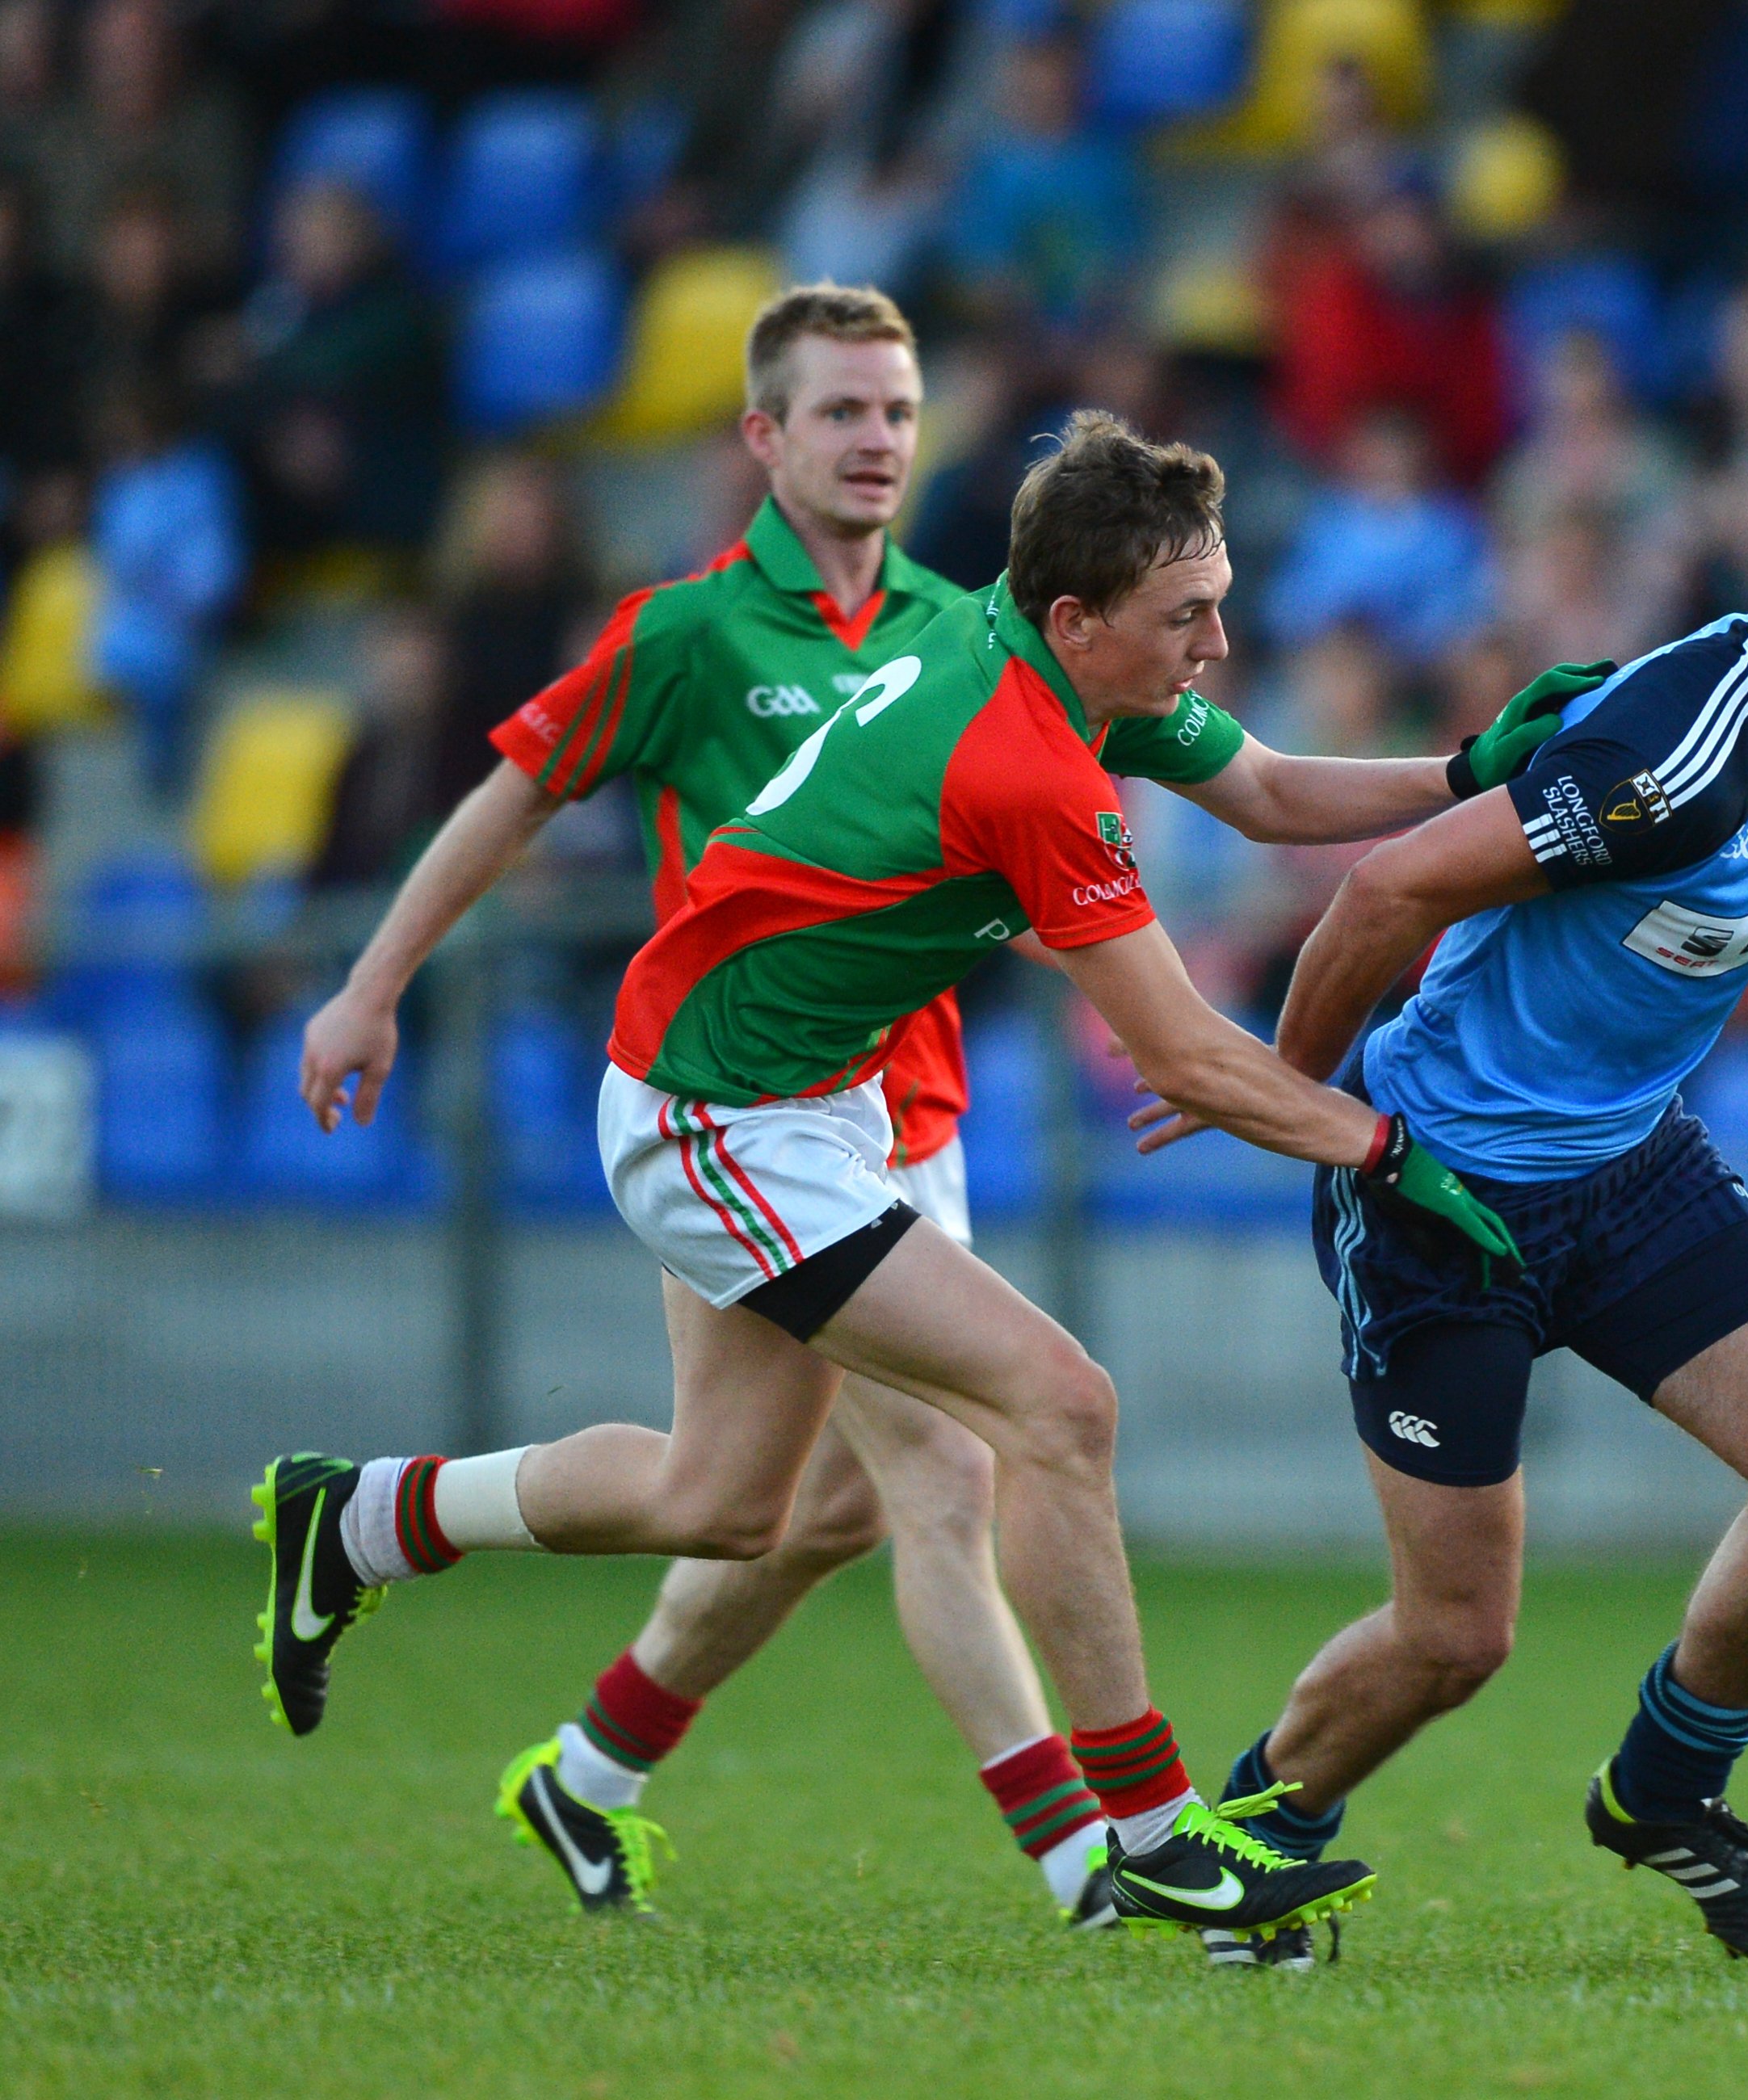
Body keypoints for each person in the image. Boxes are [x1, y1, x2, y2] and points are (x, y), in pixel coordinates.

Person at [263, 401, 1574, 1951]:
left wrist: (1467, 763)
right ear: (1076, 617)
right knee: (1055, 1404)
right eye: (1190, 614)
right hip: (718, 1114)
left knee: (728, 1503)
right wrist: (1385, 1147)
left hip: (779, 1098)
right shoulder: (1025, 762)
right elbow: (1179, 1054)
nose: (1217, 641)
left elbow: (1275, 794)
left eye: (1217, 601)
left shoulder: (1051, 662)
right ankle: (1150, 1837)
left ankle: (356, 1521)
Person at [1151, 456, 1748, 1968]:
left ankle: (1664, 1791)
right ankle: (1242, 1837)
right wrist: (1288, 1098)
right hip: (1444, 1196)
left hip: (1632, 1169)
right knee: (1455, 1638)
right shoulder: (1666, 758)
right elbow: (1390, 889)